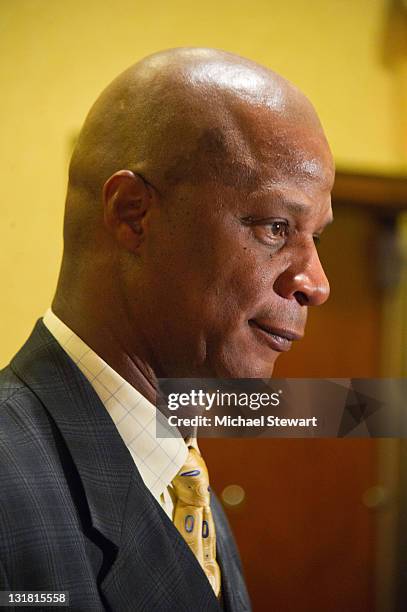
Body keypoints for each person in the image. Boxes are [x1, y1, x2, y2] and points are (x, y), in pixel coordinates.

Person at [0, 47, 334, 610]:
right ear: (134, 214)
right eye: (276, 227)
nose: (316, 284)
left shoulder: (180, 475)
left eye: (316, 238)